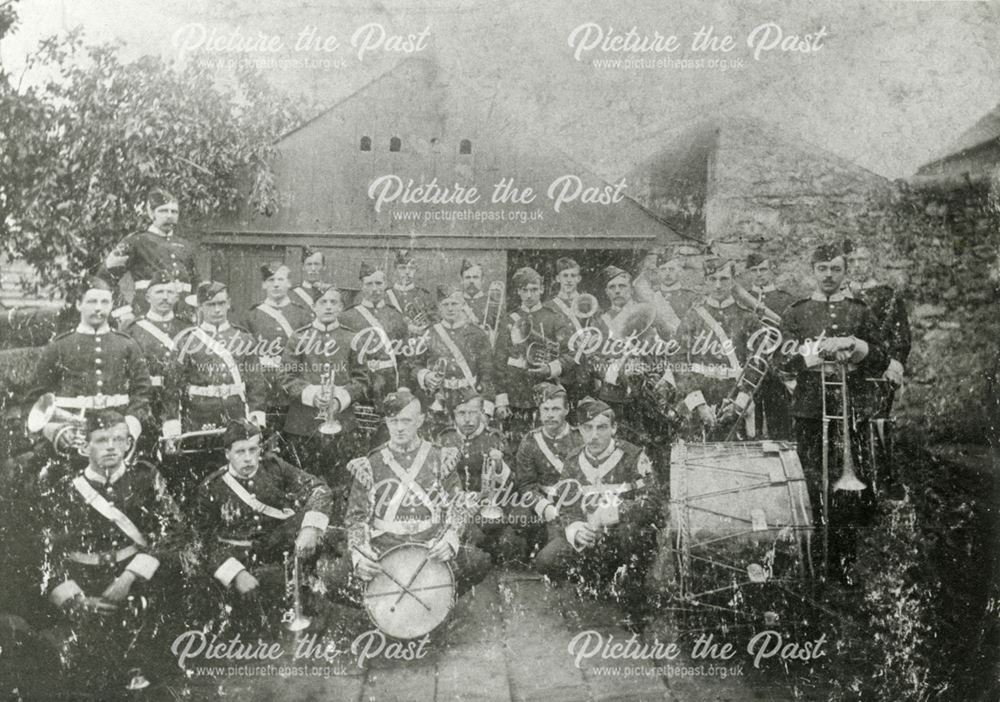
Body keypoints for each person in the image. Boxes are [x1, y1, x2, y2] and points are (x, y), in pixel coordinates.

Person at [39, 410, 185, 692]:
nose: (111, 447)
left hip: (135, 580)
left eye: (119, 439)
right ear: (85, 447)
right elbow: (46, 553)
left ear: (129, 444)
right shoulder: (61, 486)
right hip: (83, 584)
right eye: (102, 439)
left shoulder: (145, 478)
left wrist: (130, 576)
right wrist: (77, 600)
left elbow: (173, 531)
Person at [318, 389, 491, 606]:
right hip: (384, 545)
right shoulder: (370, 465)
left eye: (406, 421)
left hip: (430, 542)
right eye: (393, 421)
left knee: (478, 561)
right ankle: (381, 609)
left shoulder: (441, 457)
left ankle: (438, 604)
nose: (399, 428)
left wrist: (450, 539)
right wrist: (359, 555)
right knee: (334, 577)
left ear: (420, 420)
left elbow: (456, 506)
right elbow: (356, 518)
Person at [778, 243, 888, 583]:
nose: (829, 275)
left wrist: (854, 347)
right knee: (810, 482)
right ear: (813, 271)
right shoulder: (795, 313)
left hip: (850, 407)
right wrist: (818, 350)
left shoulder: (860, 311)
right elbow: (780, 360)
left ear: (845, 272)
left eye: (835, 269)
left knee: (848, 489)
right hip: (811, 408)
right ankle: (812, 562)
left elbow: (882, 357)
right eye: (823, 269)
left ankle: (844, 563)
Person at [191, 419, 334, 635]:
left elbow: (319, 489)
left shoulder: (274, 467)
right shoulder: (212, 487)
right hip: (242, 562)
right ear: (227, 453)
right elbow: (202, 541)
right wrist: (236, 573)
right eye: (240, 451)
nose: (248, 458)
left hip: (280, 553)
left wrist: (310, 529)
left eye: (253, 449)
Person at [533, 398, 664, 627]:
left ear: (613, 429)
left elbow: (652, 501)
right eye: (588, 428)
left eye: (602, 427)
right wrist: (575, 530)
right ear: (580, 430)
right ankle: (595, 582)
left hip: (623, 535)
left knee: (635, 537)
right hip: (591, 537)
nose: (594, 435)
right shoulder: (573, 461)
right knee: (546, 560)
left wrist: (612, 514)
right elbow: (565, 506)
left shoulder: (633, 457)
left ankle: (635, 600)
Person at [161, 282, 267, 501]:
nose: (217, 310)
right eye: (210, 305)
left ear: (228, 304)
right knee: (200, 472)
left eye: (221, 303)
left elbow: (255, 382)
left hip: (235, 415)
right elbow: (172, 387)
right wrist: (172, 424)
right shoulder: (186, 340)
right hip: (199, 417)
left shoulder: (244, 338)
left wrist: (256, 417)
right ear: (200, 307)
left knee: (236, 472)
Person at [31, 276, 151, 468]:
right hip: (72, 436)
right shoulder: (59, 347)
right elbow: (36, 398)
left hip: (118, 433)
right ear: (79, 304)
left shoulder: (127, 345)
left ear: (112, 305)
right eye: (92, 301)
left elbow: (142, 392)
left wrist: (130, 427)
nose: (98, 308)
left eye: (104, 302)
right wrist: (56, 431)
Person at [279, 285, 368, 521]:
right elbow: (286, 377)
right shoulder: (298, 337)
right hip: (302, 426)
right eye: (323, 302)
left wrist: (340, 400)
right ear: (314, 307)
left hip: (342, 425)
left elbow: (362, 379)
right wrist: (311, 395)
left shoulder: (351, 338)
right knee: (304, 484)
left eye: (334, 302)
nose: (328, 306)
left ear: (341, 307)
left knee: (341, 484)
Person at [845, 242, 911, 496]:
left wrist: (895, 364)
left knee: (876, 423)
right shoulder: (844, 295)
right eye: (854, 261)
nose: (859, 265)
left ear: (872, 262)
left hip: (878, 372)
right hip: (850, 371)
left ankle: (882, 480)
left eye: (864, 260)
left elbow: (901, 337)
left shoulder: (888, 295)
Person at [672, 258, 756, 441]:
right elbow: (677, 359)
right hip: (698, 392)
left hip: (734, 393)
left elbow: (758, 362)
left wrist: (740, 401)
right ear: (706, 281)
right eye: (712, 279)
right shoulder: (693, 317)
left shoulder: (747, 318)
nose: (718, 285)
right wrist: (698, 403)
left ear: (733, 281)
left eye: (724, 279)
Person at [436, 389, 522, 562]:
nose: (467, 419)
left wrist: (499, 465)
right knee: (473, 538)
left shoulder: (494, 438)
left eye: (473, 413)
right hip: (457, 507)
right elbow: (438, 480)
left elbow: (513, 482)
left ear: (482, 413)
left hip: (488, 506)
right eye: (461, 413)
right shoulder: (445, 439)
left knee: (510, 543)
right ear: (453, 414)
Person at [494, 267, 576, 440]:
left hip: (548, 395)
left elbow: (572, 354)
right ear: (518, 291)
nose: (529, 295)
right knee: (517, 443)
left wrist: (550, 368)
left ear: (542, 289)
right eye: (524, 290)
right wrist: (502, 399)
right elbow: (499, 361)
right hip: (517, 395)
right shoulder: (509, 320)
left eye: (533, 289)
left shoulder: (554, 318)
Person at [99, 187, 199, 325]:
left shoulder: (186, 246)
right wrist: (122, 311)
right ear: (151, 213)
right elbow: (104, 277)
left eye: (174, 211)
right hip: (146, 317)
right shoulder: (136, 242)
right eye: (163, 211)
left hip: (182, 319)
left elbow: (195, 283)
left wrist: (194, 312)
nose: (169, 215)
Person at [339, 262, 411, 446]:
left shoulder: (396, 316)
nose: (374, 289)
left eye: (379, 283)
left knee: (385, 436)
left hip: (388, 384)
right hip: (360, 383)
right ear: (361, 286)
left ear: (385, 284)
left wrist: (402, 386)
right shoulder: (348, 317)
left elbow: (404, 359)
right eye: (369, 284)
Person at [413, 283, 497, 434]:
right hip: (438, 399)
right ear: (439, 307)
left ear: (462, 305)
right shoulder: (430, 333)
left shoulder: (477, 334)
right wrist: (425, 375)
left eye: (454, 304)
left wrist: (486, 411)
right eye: (445, 304)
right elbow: (415, 365)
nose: (450, 308)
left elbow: (487, 373)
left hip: (469, 399)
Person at [512, 382, 584, 557]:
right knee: (519, 517)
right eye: (546, 409)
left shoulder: (580, 438)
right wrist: (544, 507)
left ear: (566, 410)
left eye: (556, 409)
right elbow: (526, 485)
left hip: (575, 503)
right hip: (544, 501)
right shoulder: (530, 441)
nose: (550, 415)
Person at [123, 270, 189, 456]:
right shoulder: (133, 330)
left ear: (177, 297)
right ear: (148, 296)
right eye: (159, 292)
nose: (165, 297)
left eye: (170, 292)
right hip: (145, 401)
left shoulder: (187, 329)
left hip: (180, 404)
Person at [244, 262, 314, 425]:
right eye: (270, 280)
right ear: (263, 284)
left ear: (289, 283)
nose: (276, 284)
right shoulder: (252, 316)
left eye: (280, 279)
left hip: (294, 388)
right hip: (263, 390)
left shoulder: (302, 315)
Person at [740, 252, 796, 439]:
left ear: (771, 270)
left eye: (763, 269)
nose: (759, 274)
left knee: (779, 418)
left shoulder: (785, 299)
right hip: (748, 369)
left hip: (774, 369)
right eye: (754, 270)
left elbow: (790, 335)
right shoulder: (742, 299)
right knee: (748, 419)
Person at [542, 257, 594, 405]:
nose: (569, 280)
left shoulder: (589, 303)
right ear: (558, 278)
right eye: (565, 276)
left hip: (587, 372)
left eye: (573, 276)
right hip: (562, 374)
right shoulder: (548, 307)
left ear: (579, 278)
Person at [385, 249, 436, 337]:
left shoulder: (425, 295)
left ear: (416, 270)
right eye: (402, 268)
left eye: (411, 268)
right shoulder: (385, 295)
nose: (407, 272)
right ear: (394, 270)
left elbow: (435, 321)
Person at [460, 258, 489, 328]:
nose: (471, 281)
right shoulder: (453, 302)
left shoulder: (492, 303)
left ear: (483, 280)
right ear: (462, 280)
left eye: (475, 277)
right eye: (467, 277)